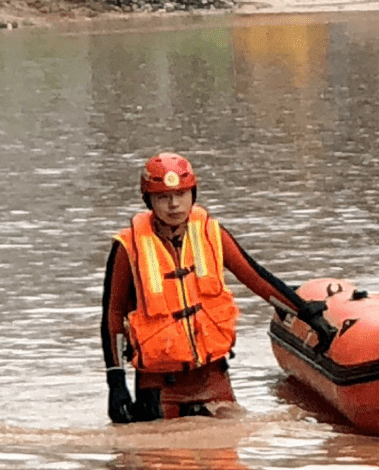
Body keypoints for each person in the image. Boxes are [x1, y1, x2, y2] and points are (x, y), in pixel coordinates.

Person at [100, 152, 338, 424]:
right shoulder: (127, 247)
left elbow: (257, 278)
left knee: (228, 458)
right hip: (159, 387)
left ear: (193, 194)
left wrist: (307, 314)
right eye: (163, 197)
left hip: (213, 379)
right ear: (149, 200)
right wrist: (115, 381)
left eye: (181, 194)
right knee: (162, 462)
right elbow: (113, 315)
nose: (174, 204)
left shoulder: (211, 234)